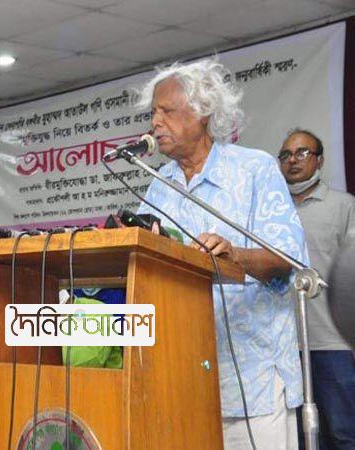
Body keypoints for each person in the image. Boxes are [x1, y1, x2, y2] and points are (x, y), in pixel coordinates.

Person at [135, 58, 308, 449]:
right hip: (182, 380)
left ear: (202, 113)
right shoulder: (159, 186)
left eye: (166, 111)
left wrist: (235, 256)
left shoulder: (254, 169)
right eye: (153, 113)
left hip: (252, 378)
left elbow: (286, 259)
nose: (155, 123)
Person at [278, 128, 355, 449]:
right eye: (285, 155)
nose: (292, 160)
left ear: (320, 160)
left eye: (302, 152)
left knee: (343, 434)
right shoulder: (273, 208)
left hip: (332, 343)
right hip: (283, 347)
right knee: (300, 439)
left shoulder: (344, 205)